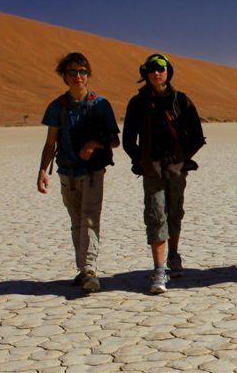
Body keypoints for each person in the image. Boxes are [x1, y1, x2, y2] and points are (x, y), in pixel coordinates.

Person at [36, 52, 120, 294]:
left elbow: (114, 141)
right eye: (72, 72)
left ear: (88, 75)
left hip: (92, 172)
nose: (78, 76)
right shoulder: (57, 107)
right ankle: (83, 269)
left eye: (82, 71)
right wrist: (43, 170)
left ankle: (90, 269)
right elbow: (50, 142)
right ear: (64, 76)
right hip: (66, 172)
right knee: (76, 223)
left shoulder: (100, 104)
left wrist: (92, 144)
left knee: (90, 219)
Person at [123, 53, 205, 294]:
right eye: (151, 69)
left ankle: (173, 254)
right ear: (146, 74)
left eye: (161, 68)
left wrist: (183, 158)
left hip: (176, 169)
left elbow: (197, 136)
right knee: (156, 214)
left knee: (175, 213)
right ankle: (159, 270)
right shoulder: (138, 103)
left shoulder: (181, 100)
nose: (157, 73)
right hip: (152, 170)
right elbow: (128, 138)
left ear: (168, 71)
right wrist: (140, 159)